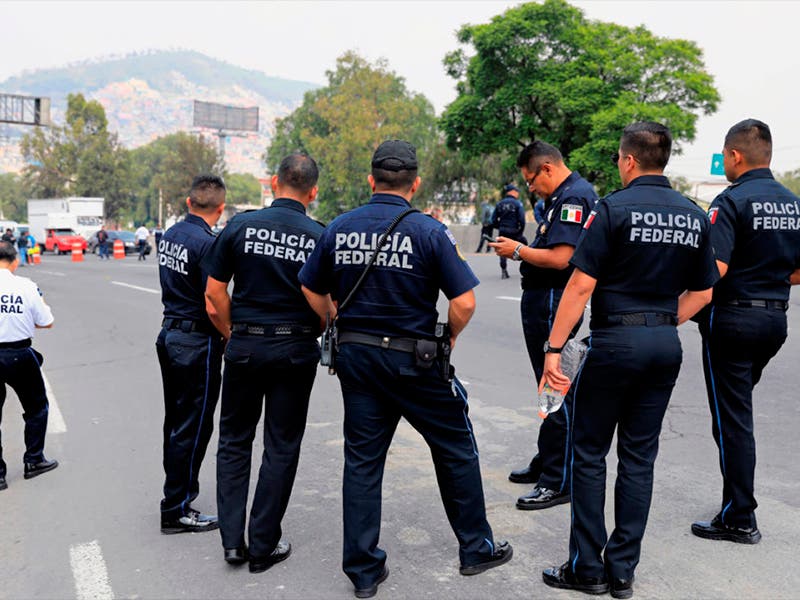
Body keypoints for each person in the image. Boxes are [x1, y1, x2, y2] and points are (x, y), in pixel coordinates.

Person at [299, 140, 512, 599]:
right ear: (415, 184)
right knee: (455, 447)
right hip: (416, 361)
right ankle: (476, 548)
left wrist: (334, 319)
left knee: (362, 461)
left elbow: (311, 289)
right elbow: (465, 301)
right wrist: (450, 336)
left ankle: (362, 570)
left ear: (371, 179)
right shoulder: (430, 232)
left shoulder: (339, 227)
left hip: (357, 360)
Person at [539, 122, 718, 598]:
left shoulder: (612, 209)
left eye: (619, 159)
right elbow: (703, 290)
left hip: (614, 343)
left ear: (630, 161)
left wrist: (554, 350)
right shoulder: (693, 214)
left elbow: (579, 286)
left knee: (589, 452)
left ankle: (586, 569)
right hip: (664, 344)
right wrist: (661, 323)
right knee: (639, 457)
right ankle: (622, 572)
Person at [204, 154, 324, 573]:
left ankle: (233, 543)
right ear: (312, 192)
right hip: (295, 350)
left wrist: (232, 331)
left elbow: (214, 293)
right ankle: (263, 543)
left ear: (274, 183)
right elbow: (328, 303)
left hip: (245, 347)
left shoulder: (239, 226)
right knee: (281, 446)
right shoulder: (317, 235)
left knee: (234, 441)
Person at [691, 119, 800, 545]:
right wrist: (766, 279)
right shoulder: (793, 203)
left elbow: (714, 270)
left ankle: (740, 516)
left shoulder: (730, 201)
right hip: (775, 321)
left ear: (735, 156)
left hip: (732, 320)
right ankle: (733, 503)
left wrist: (677, 305)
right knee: (734, 413)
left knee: (733, 421)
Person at [489, 141, 597, 511]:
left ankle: (559, 479)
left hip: (554, 299)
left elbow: (561, 258)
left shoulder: (574, 198)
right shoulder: (562, 196)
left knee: (555, 384)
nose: (530, 187)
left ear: (548, 167)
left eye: (532, 179)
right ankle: (548, 457)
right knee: (547, 382)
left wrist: (517, 250)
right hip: (544, 297)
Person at [156, 174, 226, 535]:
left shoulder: (170, 236)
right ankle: (177, 507)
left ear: (188, 202)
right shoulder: (206, 244)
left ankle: (174, 496)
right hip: (197, 341)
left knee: (175, 422)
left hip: (169, 334)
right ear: (221, 208)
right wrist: (230, 334)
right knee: (194, 426)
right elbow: (214, 302)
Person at [0, 241, 58, 491]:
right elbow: (46, 322)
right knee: (37, 408)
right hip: (19, 354)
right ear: (15, 261)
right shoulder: (26, 286)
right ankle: (34, 460)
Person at [492, 184, 527, 278]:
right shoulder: (517, 203)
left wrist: (500, 227)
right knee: (525, 246)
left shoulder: (500, 204)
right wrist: (520, 232)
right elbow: (522, 220)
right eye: (517, 192)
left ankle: (504, 271)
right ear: (512, 192)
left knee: (502, 250)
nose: (518, 194)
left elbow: (493, 220)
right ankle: (528, 268)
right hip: (514, 231)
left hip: (503, 231)